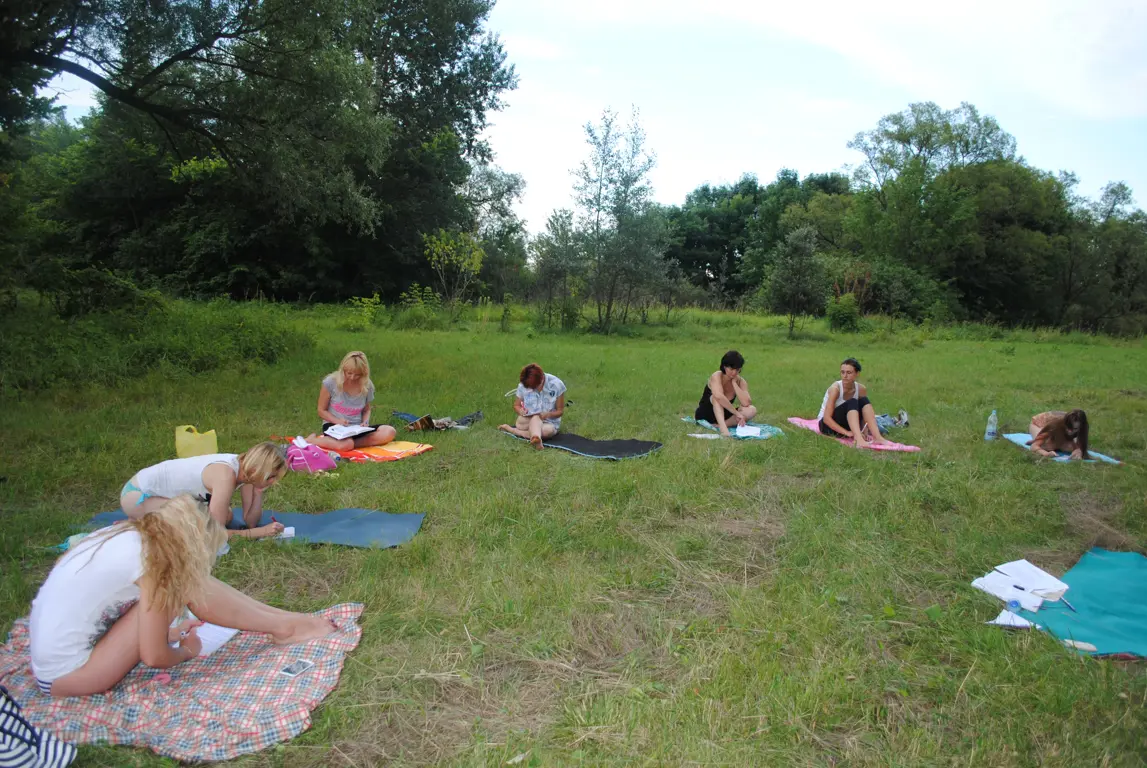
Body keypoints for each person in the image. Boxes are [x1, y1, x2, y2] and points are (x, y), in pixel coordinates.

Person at [29, 495, 337, 698]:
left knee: (187, 582)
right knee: (184, 583)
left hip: (57, 664)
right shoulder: (153, 561)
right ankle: (287, 626)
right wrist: (186, 651)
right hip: (68, 677)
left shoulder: (130, 535)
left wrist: (167, 630)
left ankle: (286, 622)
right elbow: (154, 656)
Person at [120, 442, 286, 539]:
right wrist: (257, 533)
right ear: (258, 469)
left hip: (159, 496)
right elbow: (214, 535)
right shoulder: (225, 475)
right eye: (271, 477)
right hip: (137, 495)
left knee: (226, 515)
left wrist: (258, 492)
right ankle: (140, 523)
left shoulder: (247, 470)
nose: (272, 482)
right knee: (194, 529)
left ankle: (146, 520)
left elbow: (250, 520)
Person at [305, 351, 397, 452]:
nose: (352, 377)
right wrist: (338, 421)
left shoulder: (366, 385)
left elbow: (367, 410)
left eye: (357, 375)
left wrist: (365, 422)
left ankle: (349, 444)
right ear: (343, 369)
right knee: (346, 444)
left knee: (389, 431)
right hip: (334, 425)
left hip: (356, 428)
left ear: (364, 373)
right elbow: (321, 411)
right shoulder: (330, 382)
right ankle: (313, 440)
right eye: (349, 373)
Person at [816, 358, 891, 449]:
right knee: (852, 401)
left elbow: (863, 412)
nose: (845, 376)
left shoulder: (861, 389)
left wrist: (864, 430)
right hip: (827, 426)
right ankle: (858, 439)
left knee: (864, 400)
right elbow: (826, 419)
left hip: (847, 423)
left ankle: (878, 437)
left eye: (849, 372)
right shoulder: (835, 389)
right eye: (842, 372)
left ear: (857, 374)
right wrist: (847, 433)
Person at [498, 363, 566, 450]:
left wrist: (548, 415)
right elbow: (516, 405)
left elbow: (560, 411)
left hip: (549, 422)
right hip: (527, 420)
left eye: (534, 387)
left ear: (541, 378)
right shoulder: (523, 384)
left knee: (546, 431)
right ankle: (535, 436)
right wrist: (521, 411)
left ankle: (520, 433)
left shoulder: (556, 384)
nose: (531, 389)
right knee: (523, 422)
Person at [695, 350, 757, 436]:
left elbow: (746, 402)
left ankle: (720, 425)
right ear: (724, 366)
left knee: (752, 409)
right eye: (731, 369)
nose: (734, 373)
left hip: (725, 415)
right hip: (706, 413)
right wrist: (737, 413)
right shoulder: (717, 376)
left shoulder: (741, 381)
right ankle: (724, 430)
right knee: (716, 398)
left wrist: (734, 383)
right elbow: (719, 396)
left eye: (737, 370)